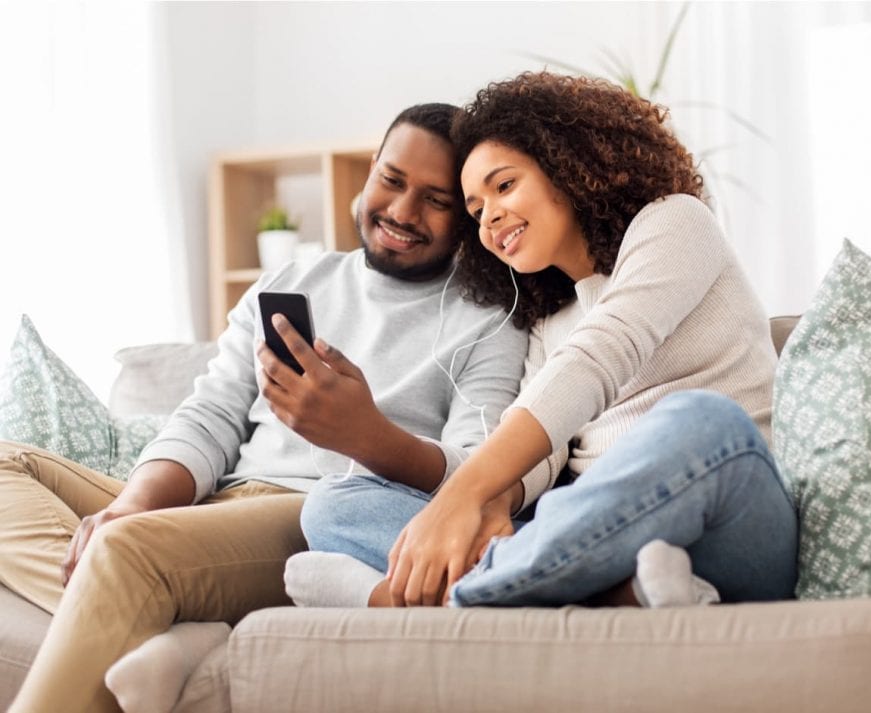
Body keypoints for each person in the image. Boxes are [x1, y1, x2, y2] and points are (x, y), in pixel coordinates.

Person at [0, 102, 528, 713]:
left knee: (127, 551)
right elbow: (210, 415)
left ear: (465, 215)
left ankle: (137, 594)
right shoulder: (296, 279)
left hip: (307, 515)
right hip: (217, 499)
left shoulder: (491, 320)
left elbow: (475, 476)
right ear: (370, 174)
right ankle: (168, 629)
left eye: (436, 200)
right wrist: (133, 504)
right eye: (391, 180)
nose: (403, 212)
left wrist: (365, 436)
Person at [292, 72, 797, 611]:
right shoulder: (549, 317)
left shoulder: (675, 222)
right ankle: (603, 591)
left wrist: (461, 500)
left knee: (702, 421)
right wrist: (496, 502)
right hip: (612, 544)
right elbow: (543, 456)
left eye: (504, 186)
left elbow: (599, 356)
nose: (491, 219)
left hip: (727, 517)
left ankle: (463, 593)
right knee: (334, 504)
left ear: (566, 168)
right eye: (476, 210)